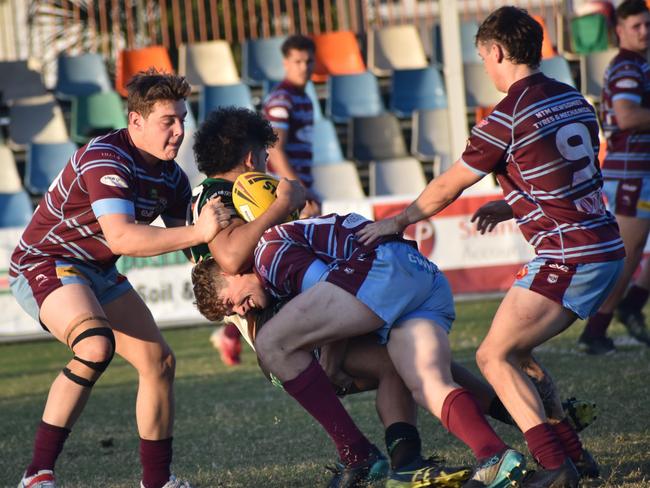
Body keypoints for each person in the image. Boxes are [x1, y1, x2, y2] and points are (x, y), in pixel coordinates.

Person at [357, 7, 624, 487]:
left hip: (569, 254)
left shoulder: (507, 115)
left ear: (497, 52)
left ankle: (554, 468)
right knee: (519, 355)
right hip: (603, 243)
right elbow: (566, 173)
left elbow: (448, 186)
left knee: (491, 357)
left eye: (483, 57)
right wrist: (513, 204)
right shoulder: (572, 99)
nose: (484, 66)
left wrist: (396, 221)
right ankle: (576, 457)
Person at [192, 213, 529, 488]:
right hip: (420, 274)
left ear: (228, 270)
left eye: (228, 303)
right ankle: (499, 451)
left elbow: (334, 288)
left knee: (271, 344)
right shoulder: (279, 261)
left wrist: (329, 367)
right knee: (424, 377)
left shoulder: (269, 255)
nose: (238, 311)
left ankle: (357, 453)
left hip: (383, 267)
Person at [9, 70, 230, 488]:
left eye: (183, 119)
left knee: (160, 363)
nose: (180, 131)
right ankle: (36, 475)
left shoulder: (171, 176)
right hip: (46, 261)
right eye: (169, 121)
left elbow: (197, 246)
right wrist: (201, 230)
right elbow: (124, 236)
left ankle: (158, 482)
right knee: (95, 346)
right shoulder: (105, 157)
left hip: (97, 271)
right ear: (136, 122)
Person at [187, 106, 306, 366]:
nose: (266, 167)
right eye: (265, 157)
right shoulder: (220, 194)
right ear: (251, 159)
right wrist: (282, 205)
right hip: (253, 309)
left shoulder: (207, 191)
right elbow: (231, 258)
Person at [578, 0, 650, 354]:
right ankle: (596, 329)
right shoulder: (626, 66)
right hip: (631, 171)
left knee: (633, 250)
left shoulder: (639, 64)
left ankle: (633, 303)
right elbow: (627, 116)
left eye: (647, 24)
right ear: (619, 31)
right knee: (629, 250)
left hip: (641, 167)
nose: (644, 31)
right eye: (636, 26)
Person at [263, 34, 320, 218]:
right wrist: (300, 191)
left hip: (297, 188)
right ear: (286, 63)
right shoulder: (282, 99)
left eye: (309, 61)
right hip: (283, 192)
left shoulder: (304, 98)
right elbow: (274, 149)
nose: (304, 67)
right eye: (298, 61)